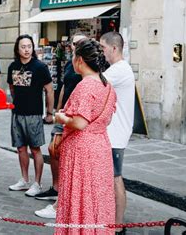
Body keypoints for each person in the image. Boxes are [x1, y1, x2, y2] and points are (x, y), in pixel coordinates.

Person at [49, 38, 117, 232]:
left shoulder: (86, 85)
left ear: (79, 60)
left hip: (82, 151)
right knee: (97, 199)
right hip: (100, 147)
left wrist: (61, 117)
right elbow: (106, 119)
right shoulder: (107, 85)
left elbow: (79, 122)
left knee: (80, 198)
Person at [35, 33, 85, 203]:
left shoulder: (86, 66)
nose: (77, 45)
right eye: (75, 43)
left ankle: (66, 194)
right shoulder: (72, 64)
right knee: (52, 149)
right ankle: (57, 188)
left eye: (81, 43)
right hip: (64, 113)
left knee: (67, 153)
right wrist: (57, 110)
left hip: (75, 116)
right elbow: (64, 86)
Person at [7, 34, 54, 197]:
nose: (26, 49)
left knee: (35, 149)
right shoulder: (12, 66)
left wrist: (49, 113)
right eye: (23, 47)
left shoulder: (40, 67)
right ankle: (24, 180)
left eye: (29, 46)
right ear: (17, 49)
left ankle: (37, 183)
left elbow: (49, 90)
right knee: (20, 148)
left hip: (34, 114)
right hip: (17, 114)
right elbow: (11, 88)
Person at [100, 32, 135, 235]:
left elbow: (94, 81)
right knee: (111, 178)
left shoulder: (119, 70)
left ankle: (118, 225)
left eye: (103, 48)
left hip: (115, 135)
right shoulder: (118, 69)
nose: (102, 52)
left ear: (114, 48)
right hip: (113, 133)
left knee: (115, 178)